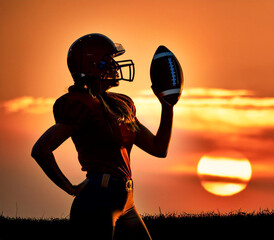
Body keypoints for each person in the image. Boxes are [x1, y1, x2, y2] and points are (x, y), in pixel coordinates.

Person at [31, 33, 174, 240]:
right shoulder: (81, 104)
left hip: (126, 200)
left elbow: (159, 148)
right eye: (110, 61)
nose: (115, 66)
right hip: (98, 198)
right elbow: (40, 150)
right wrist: (69, 187)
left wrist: (167, 106)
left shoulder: (120, 104)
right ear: (92, 65)